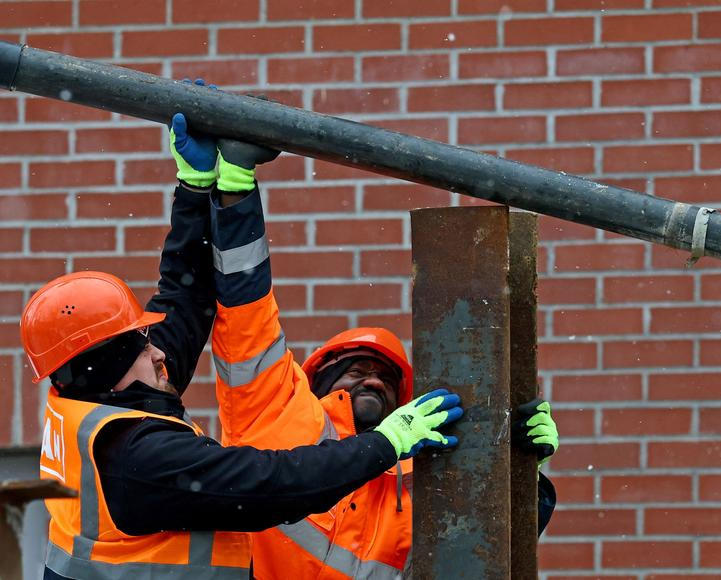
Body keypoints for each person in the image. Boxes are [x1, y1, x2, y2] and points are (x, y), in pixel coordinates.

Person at [22, 103, 463, 580]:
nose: (157, 351)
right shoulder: (138, 459)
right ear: (105, 368)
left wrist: (199, 186)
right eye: (141, 346)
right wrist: (384, 444)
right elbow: (271, 486)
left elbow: (183, 297)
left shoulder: (91, 400)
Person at [202, 117, 560, 577]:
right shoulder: (273, 411)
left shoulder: (421, 486)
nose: (373, 379)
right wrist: (234, 186)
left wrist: (520, 474)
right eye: (356, 368)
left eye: (388, 378)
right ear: (318, 380)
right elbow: (245, 308)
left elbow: (481, 559)